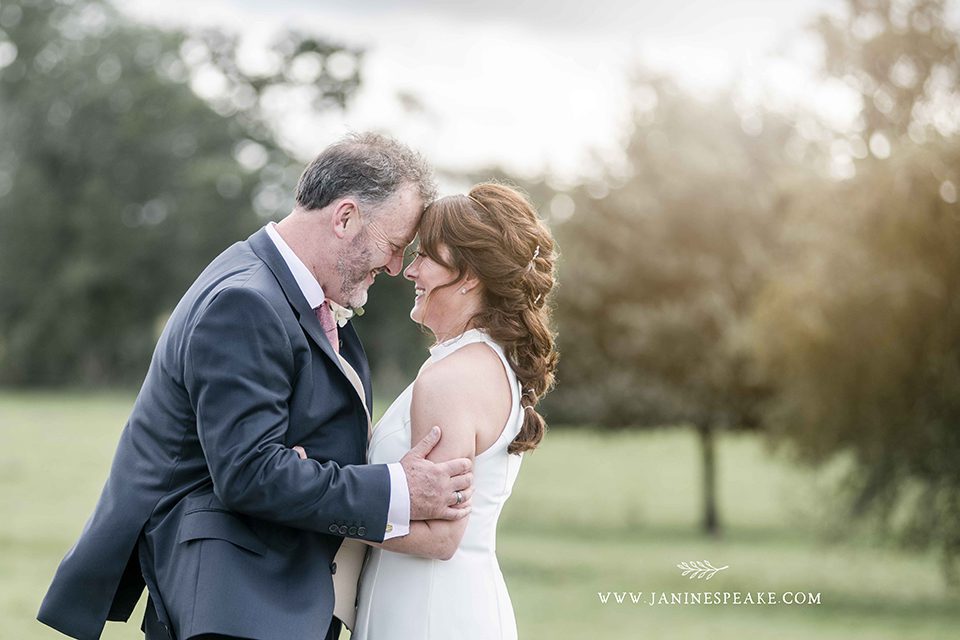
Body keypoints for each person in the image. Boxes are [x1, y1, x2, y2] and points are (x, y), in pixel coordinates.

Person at [37, 132, 474, 640]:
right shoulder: (245, 301)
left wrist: (311, 467)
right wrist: (399, 489)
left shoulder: (290, 294)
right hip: (237, 604)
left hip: (273, 595)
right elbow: (250, 472)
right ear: (345, 217)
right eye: (395, 246)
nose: (396, 267)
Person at [351, 183, 558, 639]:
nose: (410, 270)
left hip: (427, 615)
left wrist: (313, 503)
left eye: (425, 255)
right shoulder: (480, 363)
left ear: (469, 276)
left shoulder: (453, 378)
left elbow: (441, 537)